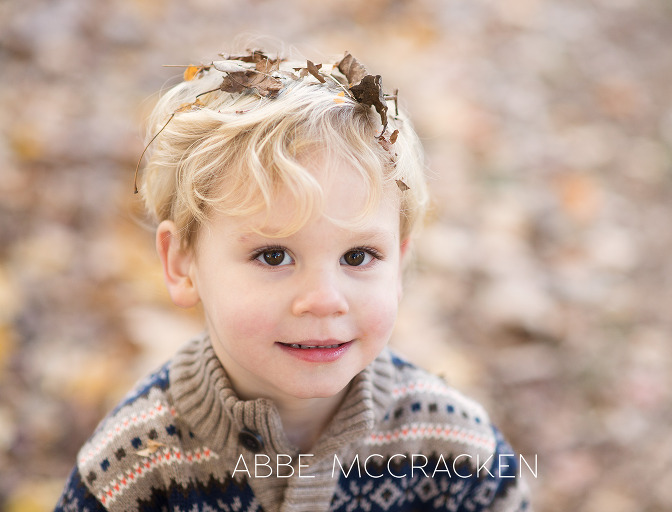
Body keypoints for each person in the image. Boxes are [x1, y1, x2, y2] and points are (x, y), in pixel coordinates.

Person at [54, 45, 531, 512]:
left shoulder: (456, 451)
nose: (324, 301)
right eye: (275, 255)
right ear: (182, 263)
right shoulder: (133, 467)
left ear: (399, 265)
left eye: (358, 255)